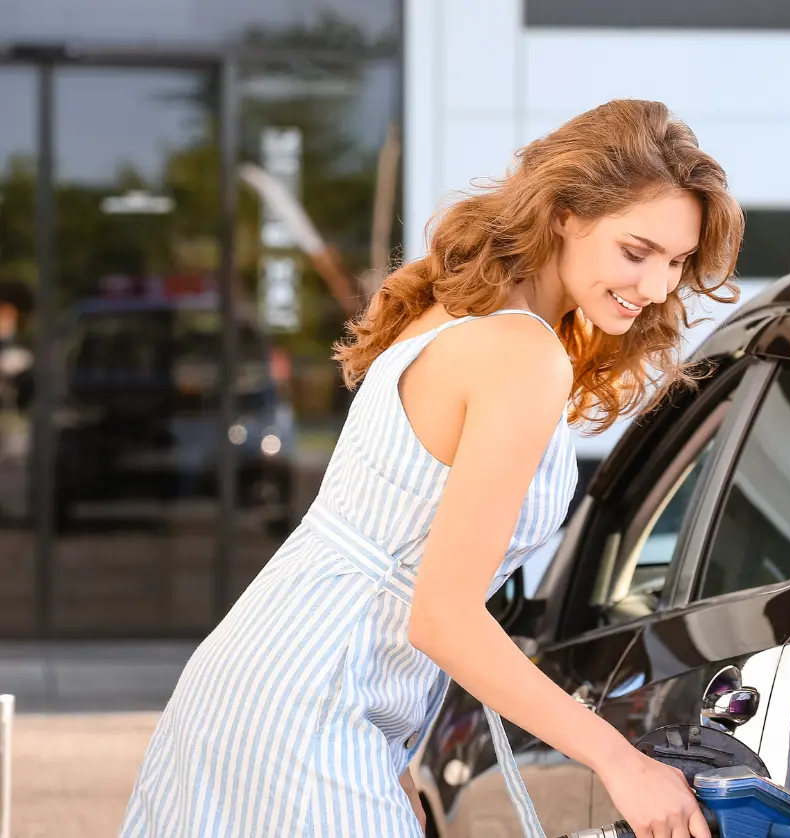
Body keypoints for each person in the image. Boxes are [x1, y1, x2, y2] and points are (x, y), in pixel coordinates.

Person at [119, 99, 744, 838]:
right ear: (565, 215)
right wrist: (624, 763)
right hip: (311, 700)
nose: (658, 288)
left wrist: (400, 753)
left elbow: (393, 541)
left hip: (292, 677)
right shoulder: (523, 352)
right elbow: (442, 616)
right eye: (636, 252)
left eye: (676, 262)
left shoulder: (463, 313)